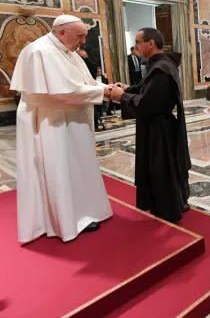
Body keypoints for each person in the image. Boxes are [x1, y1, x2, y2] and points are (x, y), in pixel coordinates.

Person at [10, 15, 113, 243]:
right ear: (61, 33)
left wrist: (107, 87)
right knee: (58, 167)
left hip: (69, 120)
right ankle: (65, 220)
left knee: (75, 165)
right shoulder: (41, 52)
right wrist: (104, 93)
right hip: (50, 122)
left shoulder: (68, 51)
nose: (83, 41)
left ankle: (83, 211)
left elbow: (84, 82)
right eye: (80, 36)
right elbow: (62, 92)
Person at [110, 28, 191, 223]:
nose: (136, 47)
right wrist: (129, 90)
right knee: (160, 167)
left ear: (151, 43)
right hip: (156, 125)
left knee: (161, 168)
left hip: (159, 128)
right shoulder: (159, 65)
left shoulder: (161, 68)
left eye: (138, 42)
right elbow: (148, 88)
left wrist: (123, 97)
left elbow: (150, 103)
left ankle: (168, 208)